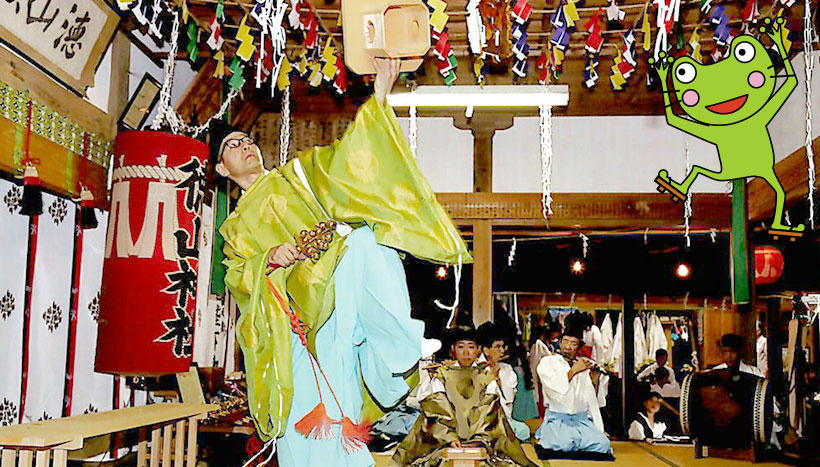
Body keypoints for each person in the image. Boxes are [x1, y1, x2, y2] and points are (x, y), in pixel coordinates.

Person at [217, 58, 471, 467]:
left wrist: (382, 91)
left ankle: (398, 341)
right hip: (295, 326)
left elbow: (352, 155)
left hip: (335, 298)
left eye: (246, 139)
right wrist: (268, 259)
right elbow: (235, 279)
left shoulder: (297, 175)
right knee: (308, 413)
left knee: (368, 238)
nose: (244, 145)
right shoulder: (233, 229)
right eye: (232, 146)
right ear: (220, 169)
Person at [394, 328, 537, 467]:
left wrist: (478, 439)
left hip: (482, 434)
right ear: (453, 349)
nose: (466, 353)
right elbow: (438, 408)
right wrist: (449, 437)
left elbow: (488, 411)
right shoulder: (443, 374)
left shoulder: (486, 376)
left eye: (471, 347)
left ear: (478, 350)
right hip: (444, 434)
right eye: (461, 347)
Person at [534, 313, 612, 456]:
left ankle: (581, 439)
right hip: (558, 419)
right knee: (563, 444)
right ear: (560, 341)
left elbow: (590, 400)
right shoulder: (548, 362)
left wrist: (594, 378)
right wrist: (574, 371)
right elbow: (556, 388)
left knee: (603, 444)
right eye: (565, 341)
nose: (568, 347)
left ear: (580, 347)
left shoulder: (582, 363)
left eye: (573, 343)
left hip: (580, 420)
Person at [477, 322, 531, 440]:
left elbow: (509, 400)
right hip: (482, 419)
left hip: (504, 419)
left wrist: (497, 378)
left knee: (523, 431)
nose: (502, 350)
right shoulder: (476, 368)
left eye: (503, 346)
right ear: (486, 350)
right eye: (497, 347)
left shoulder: (507, 369)